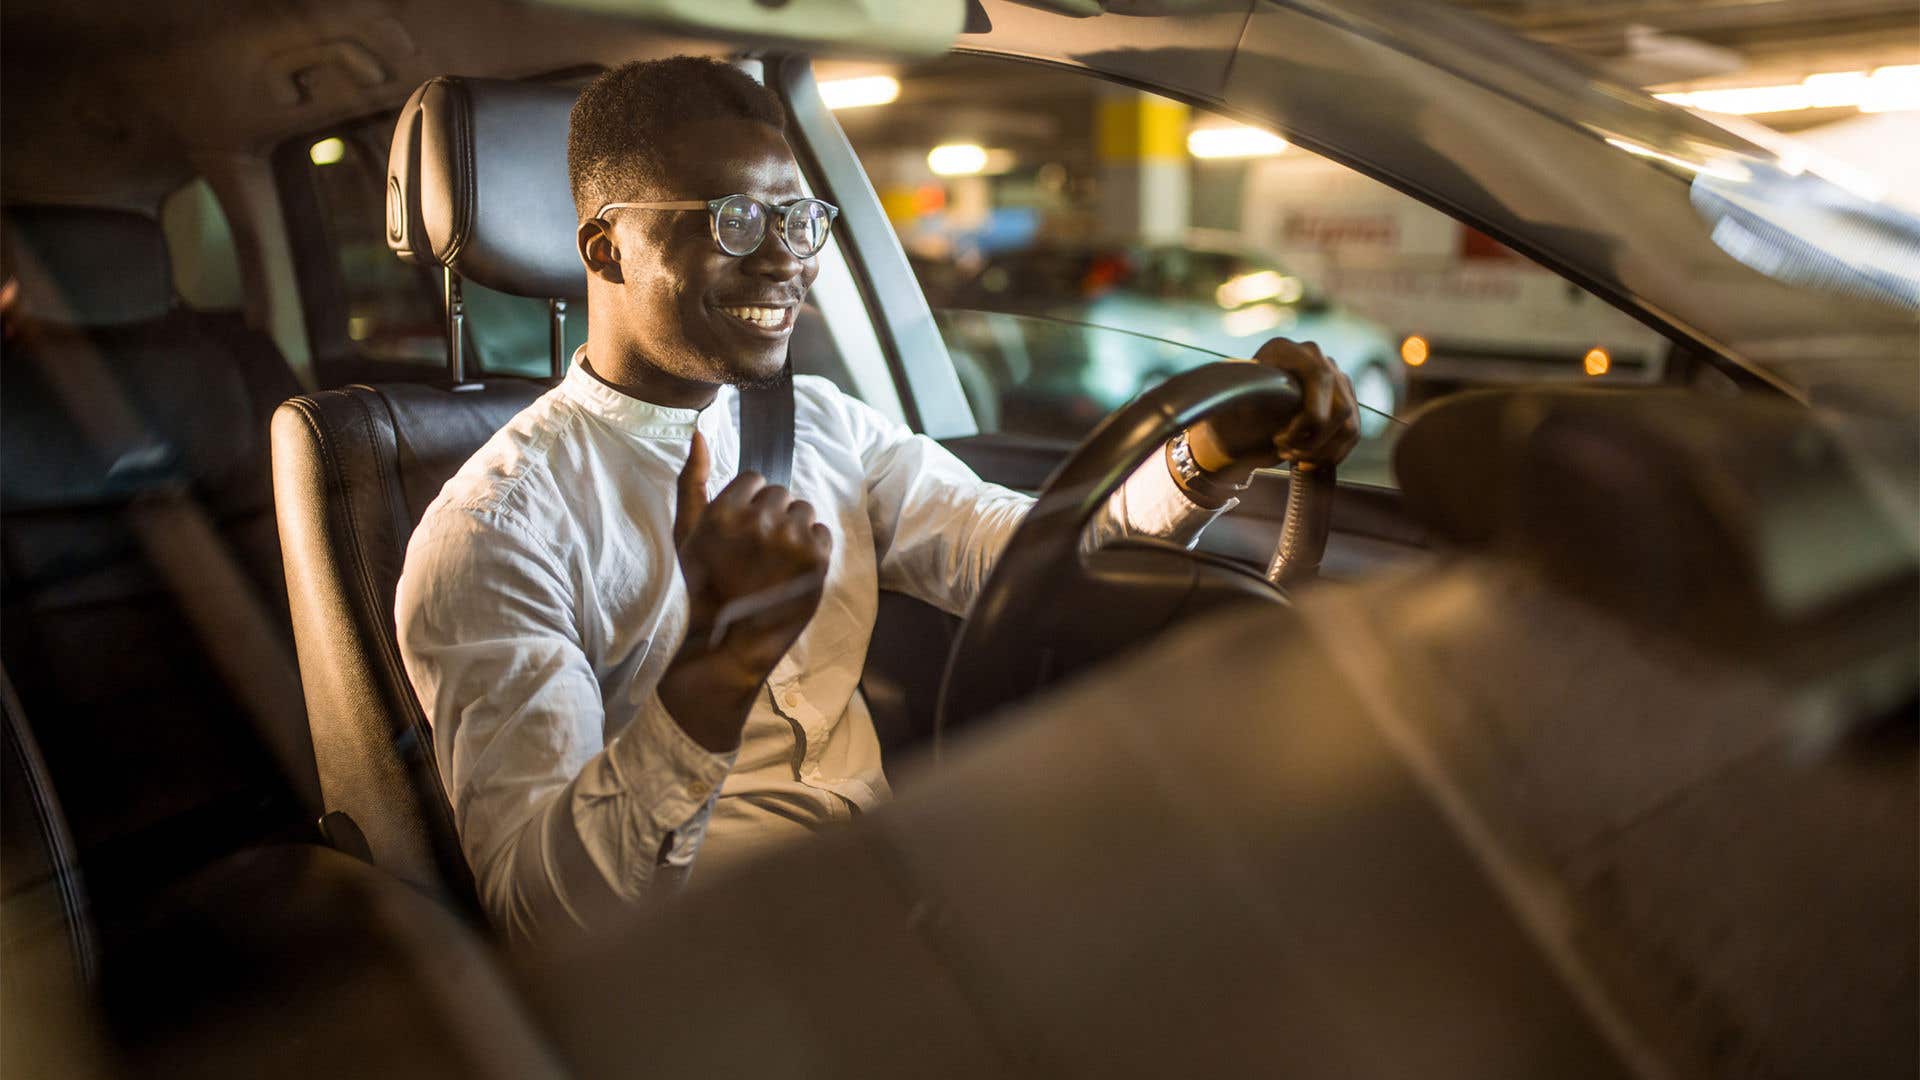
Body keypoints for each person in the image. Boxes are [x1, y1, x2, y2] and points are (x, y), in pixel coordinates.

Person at [395, 57, 1359, 941]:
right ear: (606, 252)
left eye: (800, 219)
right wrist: (714, 674)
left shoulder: (818, 422)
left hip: (897, 888)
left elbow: (1025, 555)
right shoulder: (495, 535)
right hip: (707, 965)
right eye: (734, 220)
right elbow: (546, 922)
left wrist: (1208, 450)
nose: (785, 259)